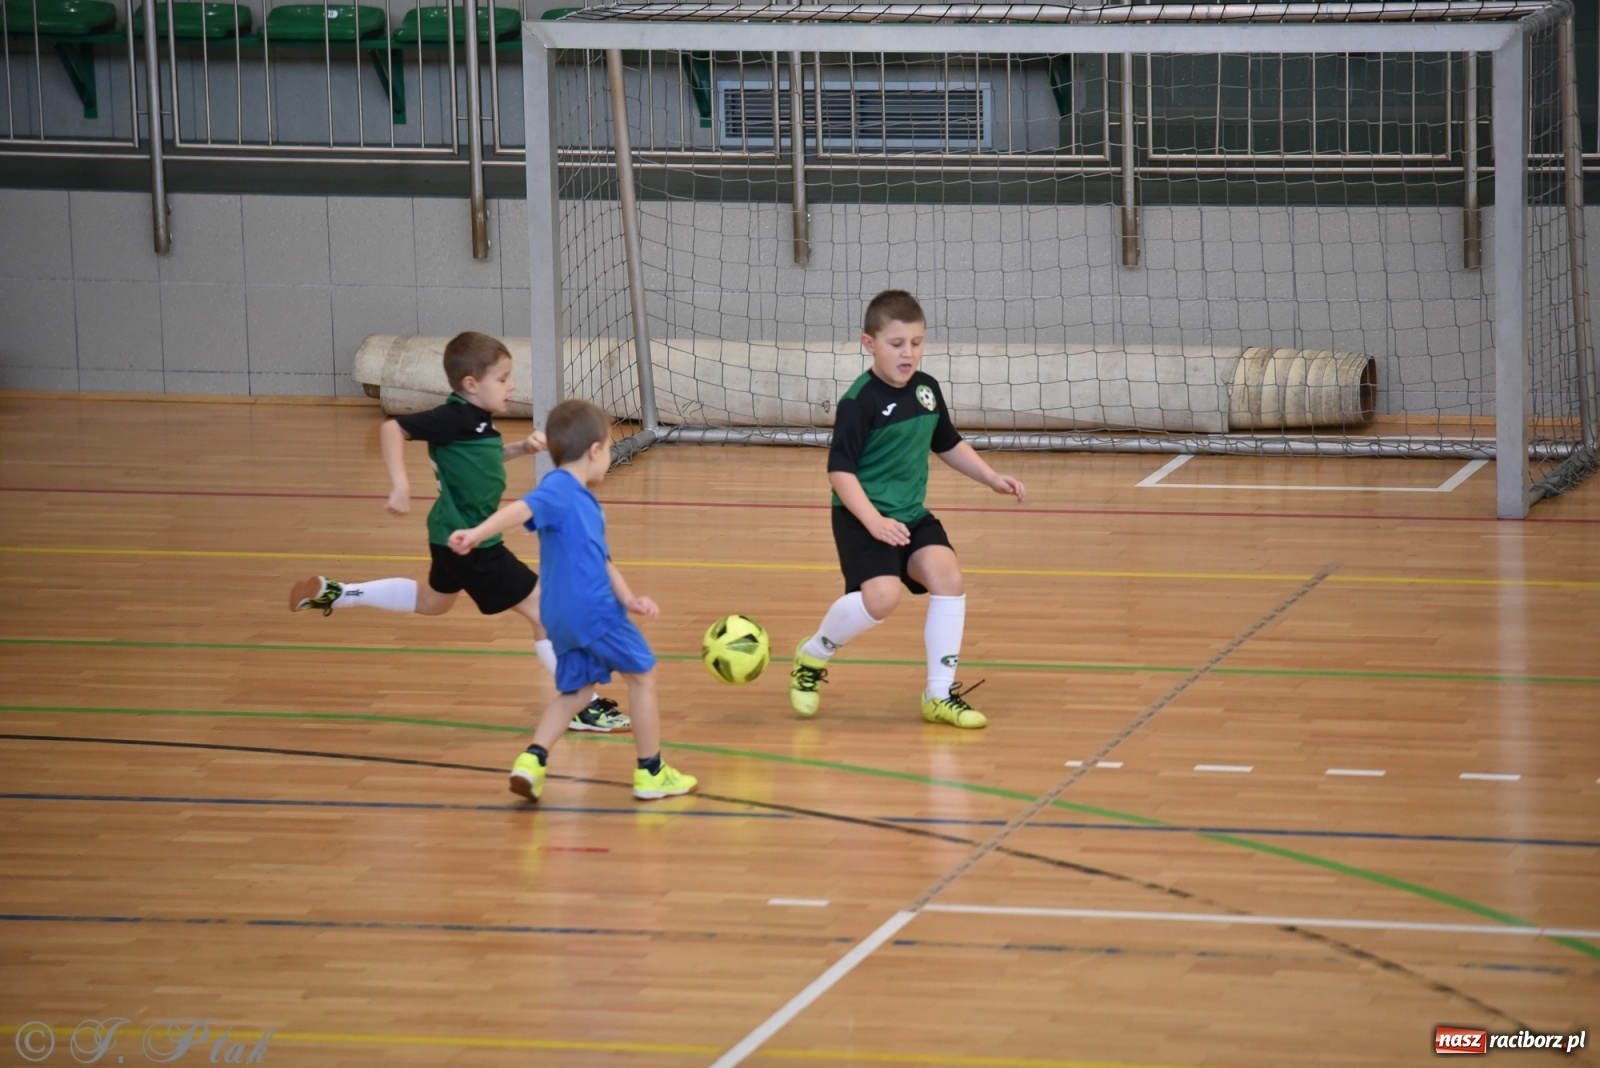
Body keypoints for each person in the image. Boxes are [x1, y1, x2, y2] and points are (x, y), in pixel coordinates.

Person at [287, 331, 628, 734]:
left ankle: (340, 593)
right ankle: (583, 706)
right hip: (474, 544)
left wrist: (520, 449)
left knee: (433, 602)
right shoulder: (454, 416)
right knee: (544, 610)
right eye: (502, 379)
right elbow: (392, 430)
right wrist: (400, 485)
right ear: (471, 384)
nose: (511, 385)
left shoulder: (475, 423)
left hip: (450, 536)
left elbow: (474, 459)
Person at [789, 290, 1026, 729]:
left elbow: (947, 442)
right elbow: (839, 472)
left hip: (910, 514)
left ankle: (938, 695)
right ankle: (812, 655)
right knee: (882, 599)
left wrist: (991, 477)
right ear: (869, 344)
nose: (908, 352)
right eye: (896, 343)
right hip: (862, 516)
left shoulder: (926, 390)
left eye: (916, 342)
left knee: (948, 575)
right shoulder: (858, 402)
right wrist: (875, 522)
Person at [448, 398, 696, 802]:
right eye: (608, 447)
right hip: (592, 610)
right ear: (595, 451)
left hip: (561, 615)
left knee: (577, 692)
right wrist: (476, 534)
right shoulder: (561, 488)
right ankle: (651, 771)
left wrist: (630, 599)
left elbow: (601, 559)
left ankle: (533, 760)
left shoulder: (580, 500)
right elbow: (523, 508)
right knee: (643, 676)